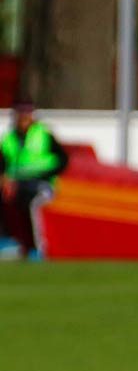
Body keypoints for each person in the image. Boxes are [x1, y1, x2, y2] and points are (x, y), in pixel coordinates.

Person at [0, 101, 68, 260]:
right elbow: (2, 165)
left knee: (33, 205)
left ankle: (37, 248)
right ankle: (8, 241)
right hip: (18, 185)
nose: (24, 118)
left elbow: (63, 160)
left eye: (27, 114)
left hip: (41, 184)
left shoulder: (43, 135)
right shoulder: (9, 139)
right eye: (20, 114)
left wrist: (47, 175)